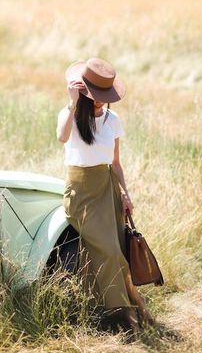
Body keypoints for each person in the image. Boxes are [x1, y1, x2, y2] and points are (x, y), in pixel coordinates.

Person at [56, 57, 154, 333]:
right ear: (83, 91)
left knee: (117, 250)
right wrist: (71, 101)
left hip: (107, 188)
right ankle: (130, 308)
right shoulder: (70, 115)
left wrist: (125, 194)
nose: (99, 101)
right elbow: (62, 138)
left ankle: (129, 309)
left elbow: (116, 163)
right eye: (94, 95)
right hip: (81, 192)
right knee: (109, 251)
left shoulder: (113, 120)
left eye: (103, 96)